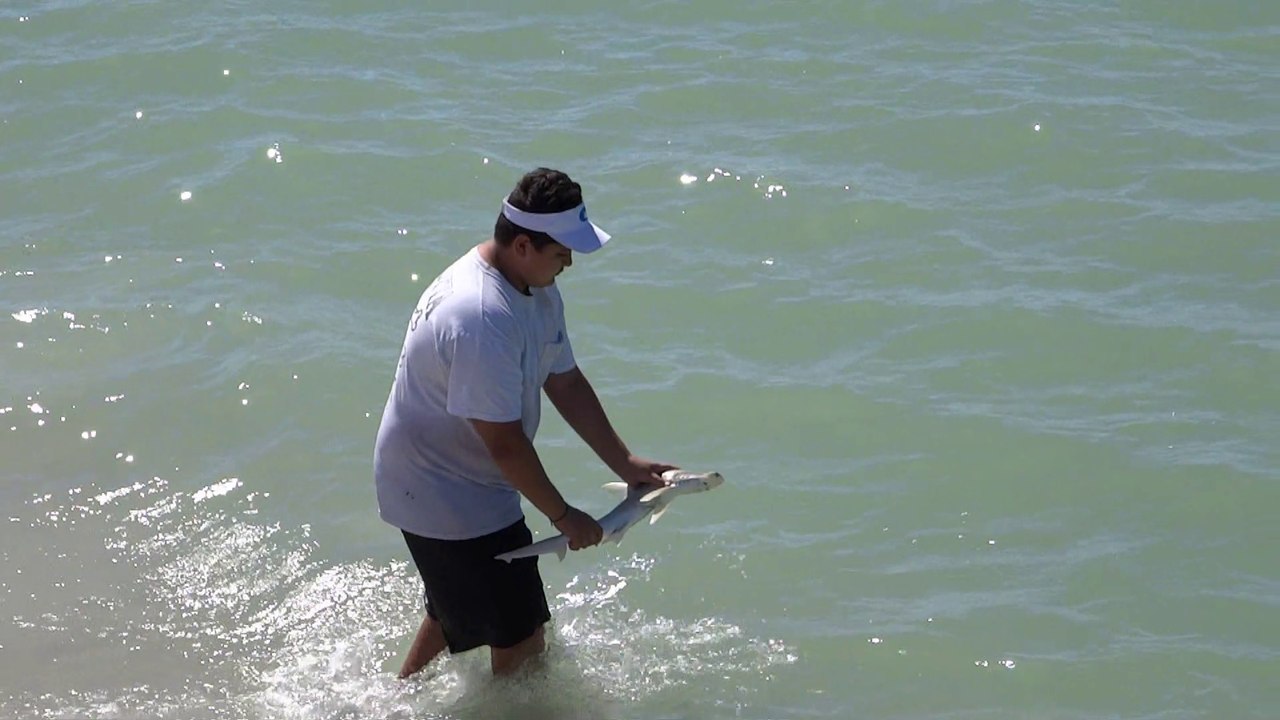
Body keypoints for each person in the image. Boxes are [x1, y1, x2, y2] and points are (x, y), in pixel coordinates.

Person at [374, 167, 676, 678]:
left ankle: (393, 704)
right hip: (442, 494)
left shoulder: (532, 285)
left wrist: (625, 462)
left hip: (462, 482)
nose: (570, 263)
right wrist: (563, 517)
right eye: (562, 253)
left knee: (458, 606)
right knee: (522, 635)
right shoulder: (482, 316)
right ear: (522, 245)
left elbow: (566, 382)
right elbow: (506, 445)